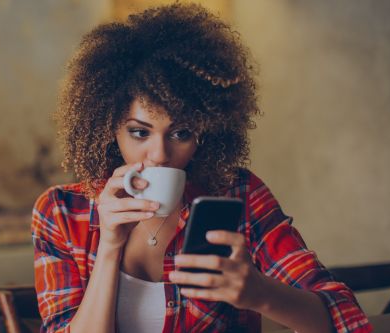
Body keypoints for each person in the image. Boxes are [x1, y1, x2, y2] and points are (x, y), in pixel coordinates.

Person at [32, 3, 371, 333]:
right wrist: (108, 246)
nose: (159, 154)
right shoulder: (62, 212)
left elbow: (344, 315)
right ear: (108, 128)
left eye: (181, 133)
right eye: (139, 132)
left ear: (206, 133)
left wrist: (259, 292)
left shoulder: (238, 195)